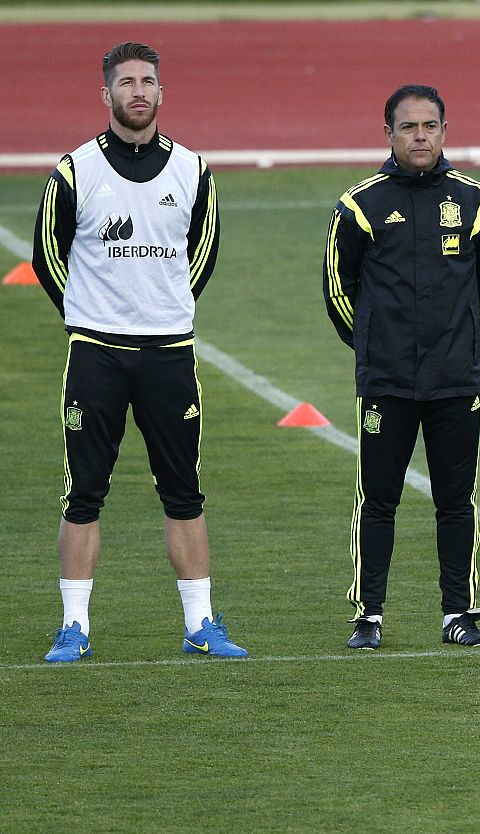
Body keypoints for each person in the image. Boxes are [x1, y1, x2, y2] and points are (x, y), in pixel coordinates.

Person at [31, 42, 246, 662]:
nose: (138, 92)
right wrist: (93, 315)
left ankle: (201, 624)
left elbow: (199, 256)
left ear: (161, 91)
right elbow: (48, 257)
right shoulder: (74, 171)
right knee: (83, 493)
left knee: (184, 491)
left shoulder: (192, 171)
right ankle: (75, 627)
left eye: (148, 81)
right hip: (95, 353)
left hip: (169, 353)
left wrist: (158, 308)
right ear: (107, 95)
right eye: (126, 83)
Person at [323, 84, 480, 651]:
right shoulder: (360, 205)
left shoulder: (479, 203)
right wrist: (374, 345)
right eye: (409, 127)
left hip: (455, 381)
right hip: (386, 381)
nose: (420, 136)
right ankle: (369, 616)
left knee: (456, 500)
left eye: (430, 126)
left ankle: (460, 614)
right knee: (378, 499)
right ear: (388, 134)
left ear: (444, 131)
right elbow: (339, 286)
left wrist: (457, 339)